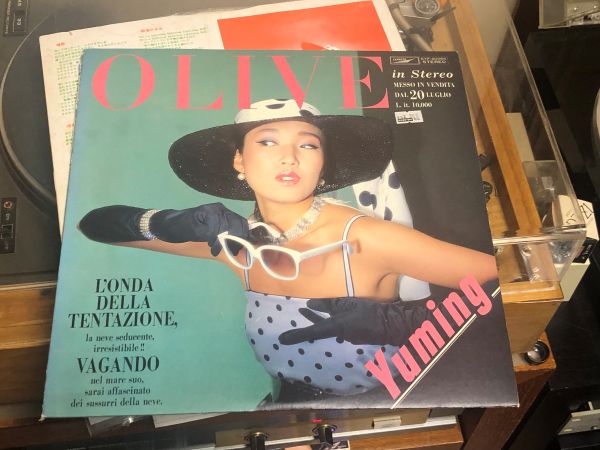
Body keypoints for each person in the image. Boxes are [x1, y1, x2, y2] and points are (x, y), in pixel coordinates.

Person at [79, 99, 497, 400]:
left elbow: (507, 285)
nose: (289, 158)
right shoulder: (234, 244)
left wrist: (403, 323)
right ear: (239, 161)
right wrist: (167, 222)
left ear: (322, 162)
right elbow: (94, 226)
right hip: (285, 409)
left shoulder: (367, 238)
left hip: (386, 411)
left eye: (308, 144)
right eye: (267, 142)